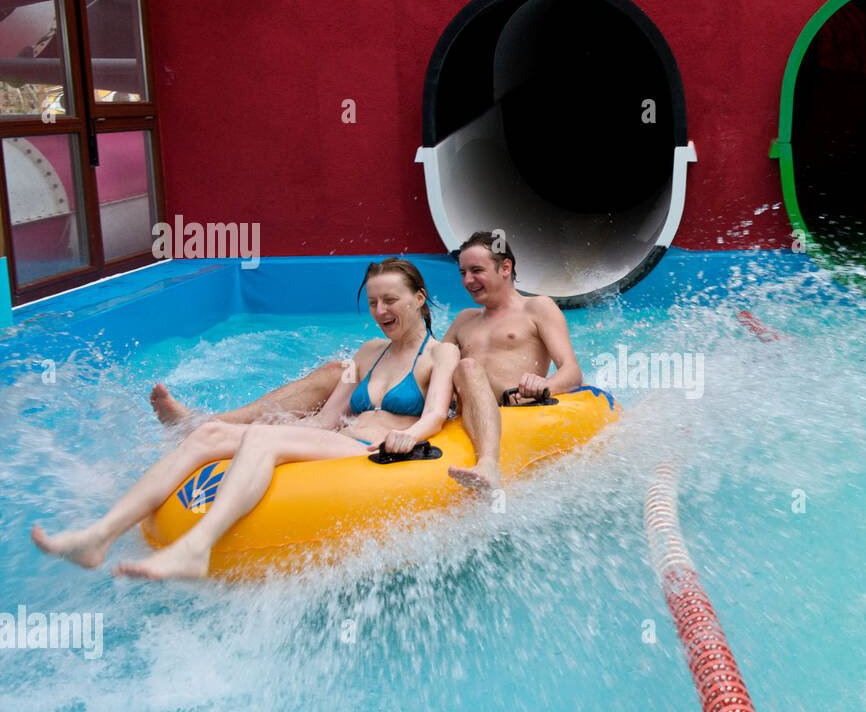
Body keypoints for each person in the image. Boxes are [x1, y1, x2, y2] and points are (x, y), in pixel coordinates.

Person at [32, 258, 459, 580]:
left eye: (390, 300)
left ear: (419, 299)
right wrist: (265, 427)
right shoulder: (367, 354)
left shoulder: (442, 354)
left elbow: (436, 414)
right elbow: (328, 418)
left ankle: (197, 547)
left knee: (261, 443)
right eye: (372, 301)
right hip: (341, 438)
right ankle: (99, 536)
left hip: (371, 451)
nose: (380, 309)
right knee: (212, 433)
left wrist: (409, 437)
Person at [149, 233, 583, 493]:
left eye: (477, 271)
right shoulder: (466, 321)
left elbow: (571, 371)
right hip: (458, 403)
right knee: (339, 371)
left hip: (507, 401)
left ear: (505, 267)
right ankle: (208, 422)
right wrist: (359, 379)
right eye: (463, 272)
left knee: (468, 368)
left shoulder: (538, 308)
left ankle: (488, 463)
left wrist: (546, 387)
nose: (467, 280)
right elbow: (425, 360)